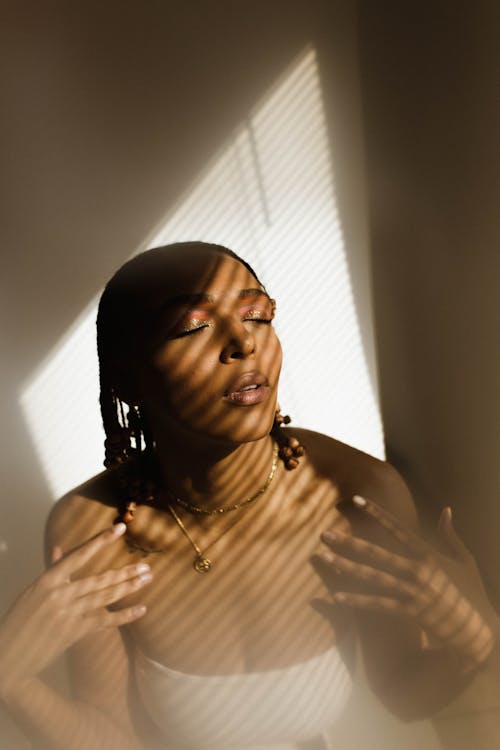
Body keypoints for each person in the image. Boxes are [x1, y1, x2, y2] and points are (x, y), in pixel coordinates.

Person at [0, 241, 497, 750]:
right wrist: (9, 682)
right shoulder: (94, 533)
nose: (243, 341)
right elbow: (114, 739)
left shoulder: (355, 496)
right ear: (129, 378)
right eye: (194, 327)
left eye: (258, 315)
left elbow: (402, 694)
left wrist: (479, 640)